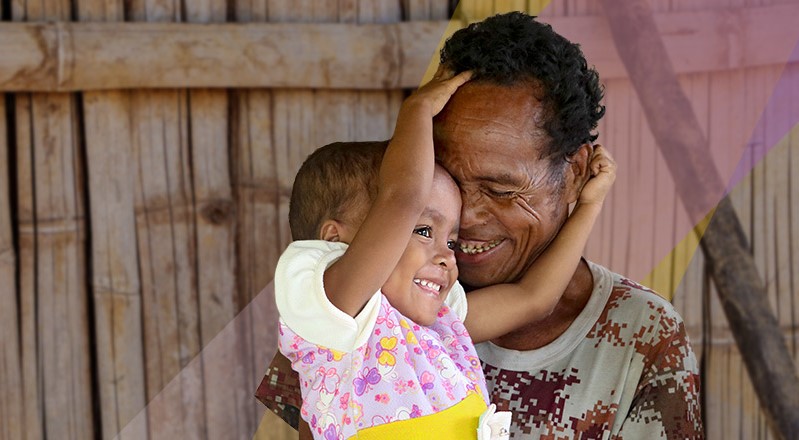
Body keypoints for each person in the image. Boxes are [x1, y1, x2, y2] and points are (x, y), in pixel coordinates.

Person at [258, 11, 703, 439]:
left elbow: (535, 299)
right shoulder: (358, 311)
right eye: (446, 182)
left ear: (574, 172)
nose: (464, 220)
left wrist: (590, 204)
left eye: (502, 190)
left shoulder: (640, 335)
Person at [273, 66, 614, 440]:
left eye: (450, 241)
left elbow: (533, 298)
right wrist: (416, 112)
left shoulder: (440, 326)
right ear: (336, 241)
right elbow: (402, 197)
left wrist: (589, 205)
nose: (447, 257)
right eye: (422, 230)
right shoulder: (335, 318)